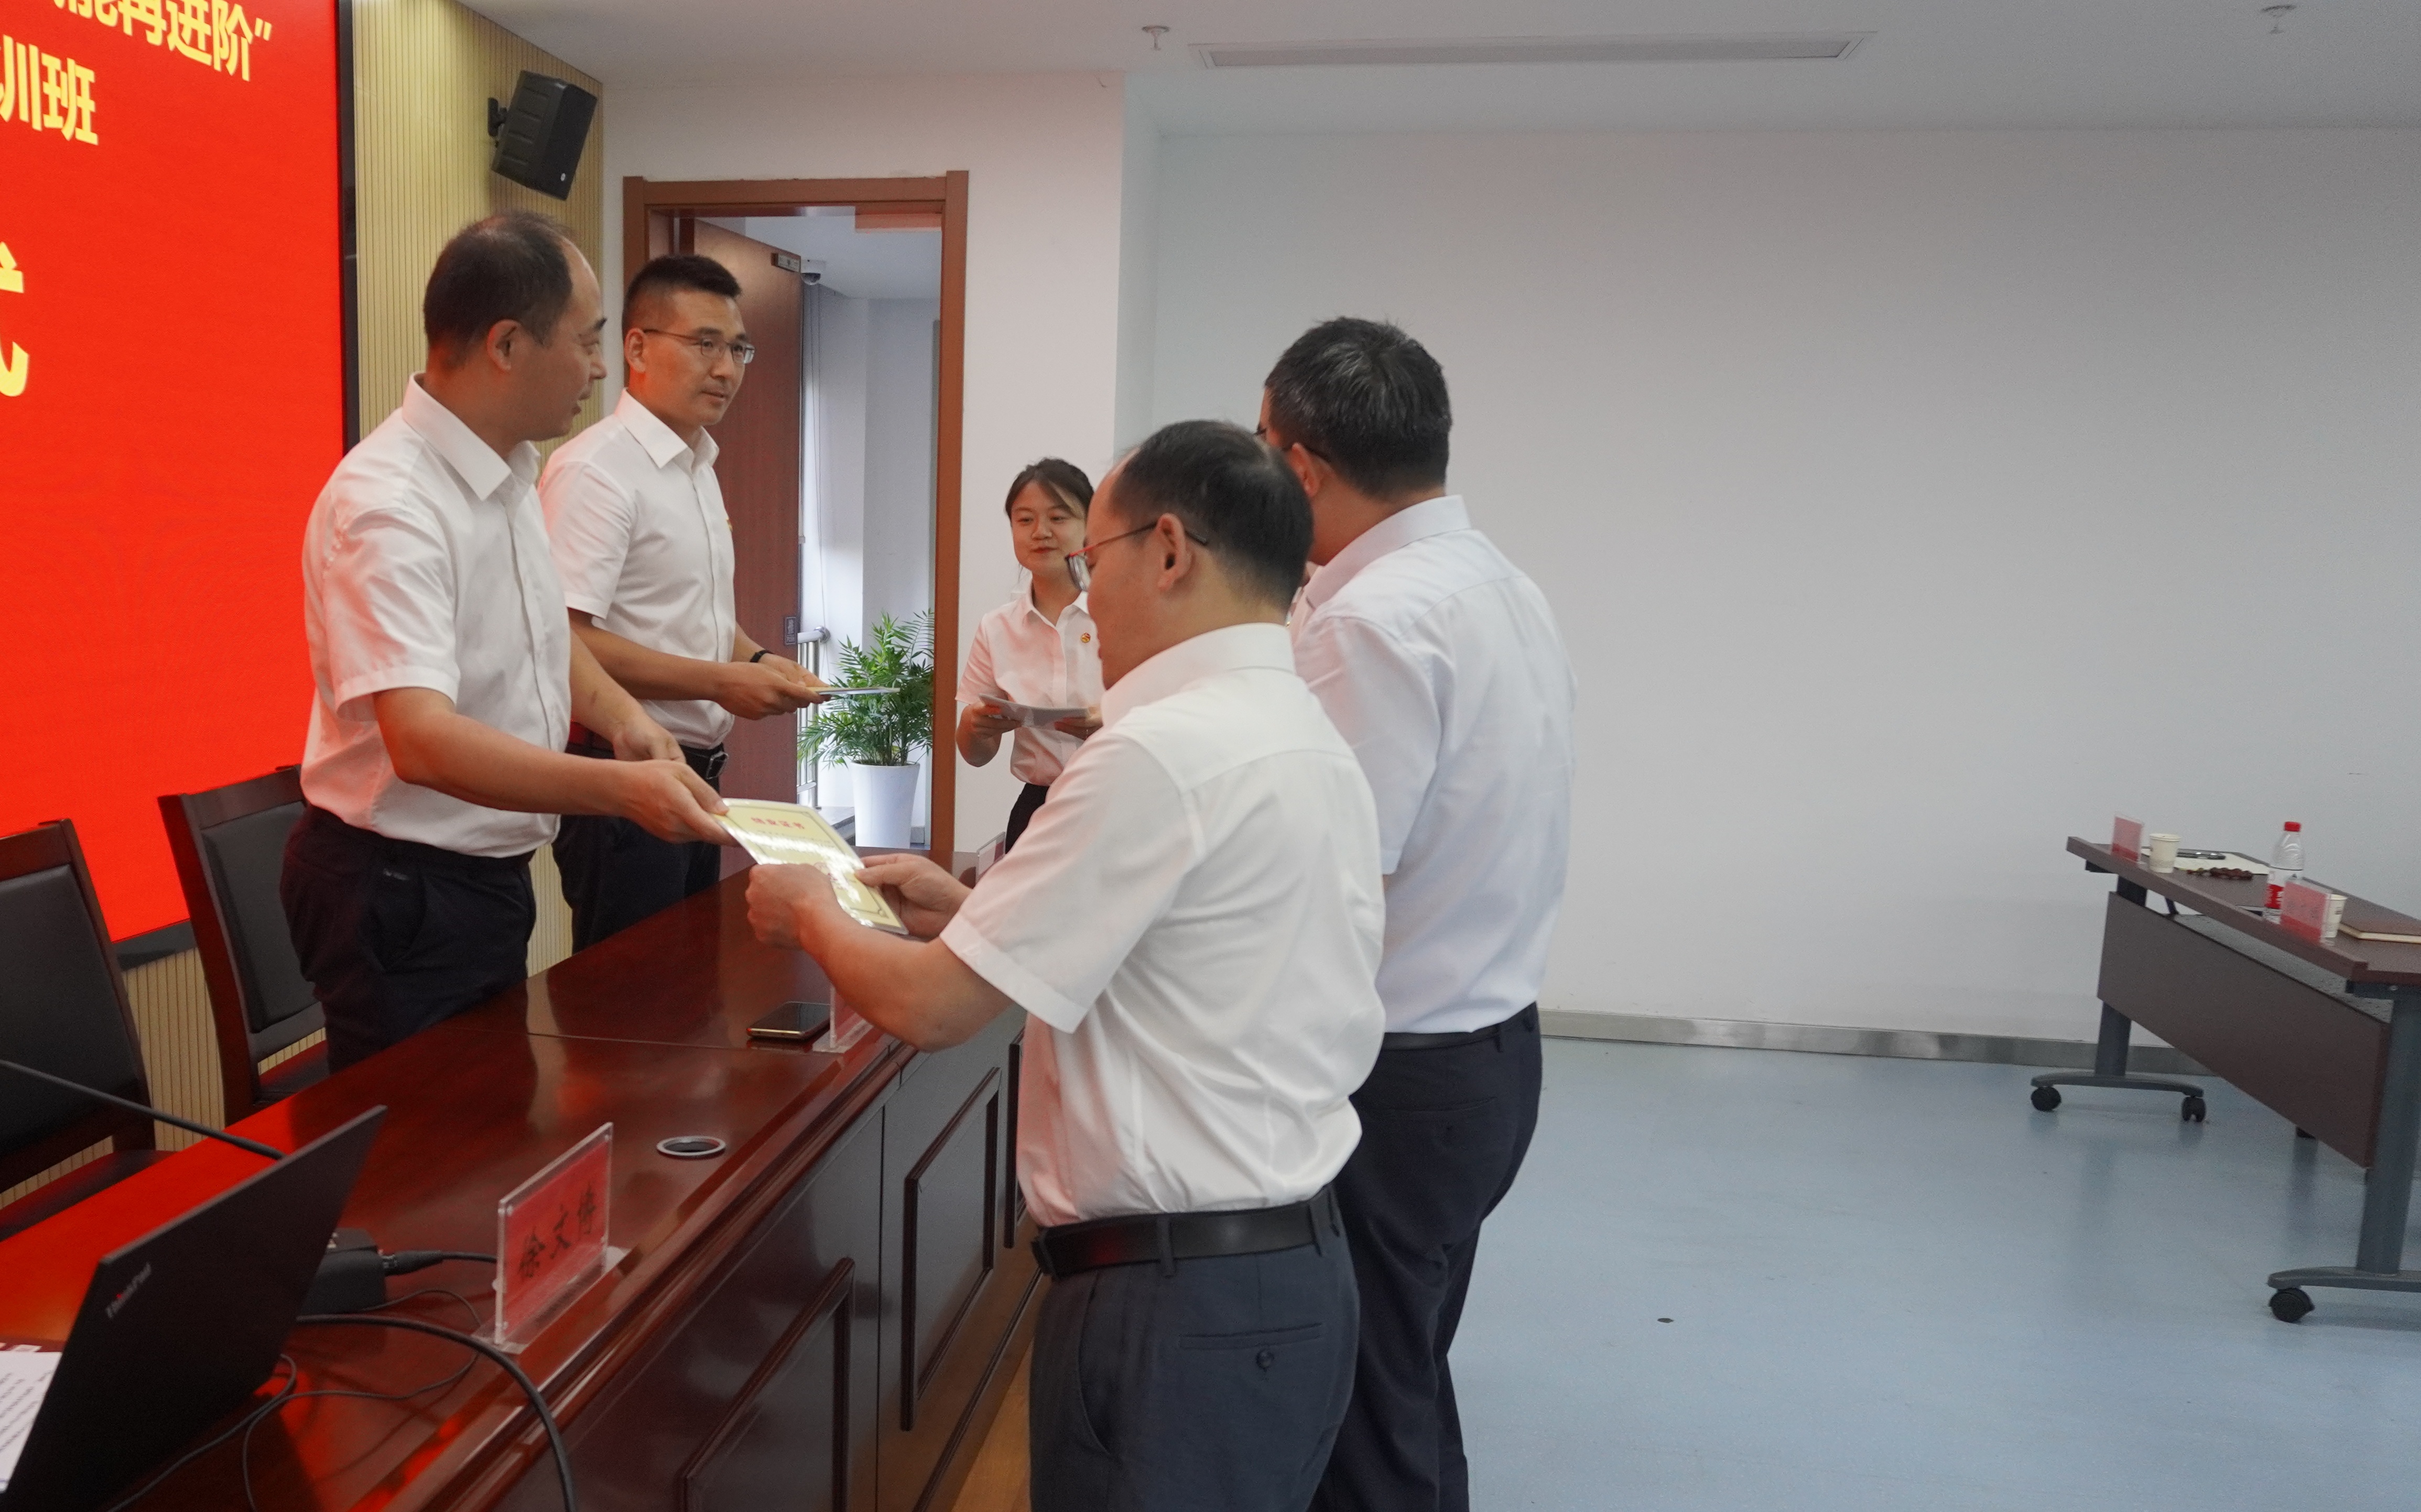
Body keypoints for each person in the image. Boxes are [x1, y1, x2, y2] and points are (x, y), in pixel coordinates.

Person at [746, 420, 1386, 1512]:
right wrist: (970, 910)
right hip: (1288, 1270)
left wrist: (810, 909)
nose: (1086, 596)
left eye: (1093, 556)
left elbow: (934, 1008)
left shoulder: (1156, 750)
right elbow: (1188, 959)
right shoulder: (1299, 729)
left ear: (1168, 551)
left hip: (1174, 1305)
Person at [282, 212, 731, 1071]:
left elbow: (543, 632)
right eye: (588, 341)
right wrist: (618, 790)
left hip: (478, 872)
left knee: (493, 1119)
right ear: (506, 345)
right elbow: (421, 740)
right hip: (402, 885)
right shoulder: (391, 506)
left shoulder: (509, 472)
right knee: (428, 1142)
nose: (600, 367)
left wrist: (625, 719)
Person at [1262, 318, 1578, 1512]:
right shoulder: (1498, 583)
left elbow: (1328, 875)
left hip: (1396, 1079)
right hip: (1487, 1053)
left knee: (1361, 1418)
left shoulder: (1368, 621)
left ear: (1300, 467)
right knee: (1403, 1379)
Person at [540, 253, 826, 950]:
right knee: (631, 994)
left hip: (698, 771)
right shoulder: (595, 470)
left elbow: (695, 615)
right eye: (704, 344)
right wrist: (721, 682)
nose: (726, 369)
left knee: (688, 986)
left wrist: (757, 659)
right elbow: (562, 639)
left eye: (737, 349)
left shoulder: (697, 464)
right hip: (620, 775)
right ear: (637, 348)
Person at [956, 459, 1104, 853]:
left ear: (1090, 525)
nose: (1041, 532)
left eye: (1058, 518)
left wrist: (1113, 721)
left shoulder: (1122, 613)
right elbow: (976, 756)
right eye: (1025, 520)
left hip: (1116, 800)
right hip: (1037, 808)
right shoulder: (996, 627)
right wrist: (974, 726)